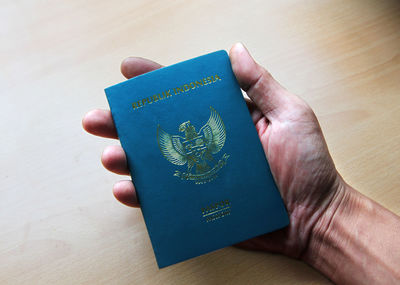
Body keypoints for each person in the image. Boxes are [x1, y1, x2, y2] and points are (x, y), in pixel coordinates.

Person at [82, 43, 400, 284]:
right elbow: (170, 146)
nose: (190, 134)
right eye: (186, 134)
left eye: (193, 132)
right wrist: (323, 220)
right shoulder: (178, 141)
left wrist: (323, 213)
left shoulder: (199, 134)